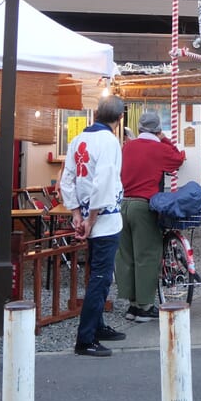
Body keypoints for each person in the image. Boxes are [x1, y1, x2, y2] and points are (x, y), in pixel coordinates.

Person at [59, 95, 126, 358]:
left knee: (96, 274)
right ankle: (85, 337)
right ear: (119, 119)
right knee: (100, 277)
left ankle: (97, 326)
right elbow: (104, 182)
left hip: (87, 213)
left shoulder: (78, 139)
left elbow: (67, 178)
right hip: (103, 220)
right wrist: (91, 219)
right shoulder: (109, 142)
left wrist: (76, 212)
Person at [116, 111, 185, 324]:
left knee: (126, 256)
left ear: (139, 128)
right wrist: (165, 139)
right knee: (146, 256)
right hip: (144, 206)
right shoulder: (158, 148)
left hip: (123, 204)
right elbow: (178, 159)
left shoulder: (128, 147)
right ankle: (145, 307)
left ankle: (132, 304)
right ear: (157, 129)